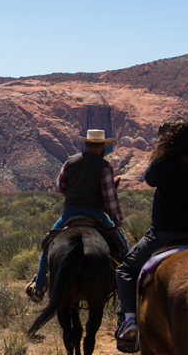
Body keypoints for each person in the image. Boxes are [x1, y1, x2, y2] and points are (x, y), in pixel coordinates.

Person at [115, 117, 188, 353]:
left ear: (165, 140)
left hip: (167, 235)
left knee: (125, 270)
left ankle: (130, 322)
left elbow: (149, 179)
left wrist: (161, 154)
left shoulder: (162, 164)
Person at [26, 129, 129, 302]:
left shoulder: (70, 162)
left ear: (86, 143)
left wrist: (73, 193)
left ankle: (39, 288)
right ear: (103, 145)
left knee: (47, 244)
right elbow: (110, 199)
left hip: (69, 213)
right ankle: (127, 288)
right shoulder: (105, 167)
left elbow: (60, 187)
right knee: (123, 247)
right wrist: (117, 222)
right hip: (96, 213)